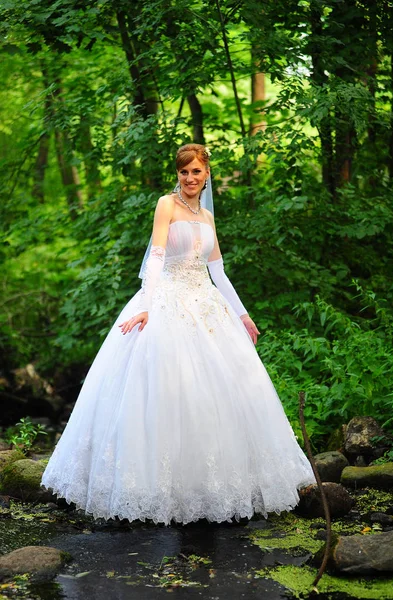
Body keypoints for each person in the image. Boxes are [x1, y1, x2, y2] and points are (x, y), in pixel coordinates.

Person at [41, 143, 316, 525]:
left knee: (217, 393)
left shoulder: (206, 216)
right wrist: (145, 305)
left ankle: (212, 490)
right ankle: (150, 491)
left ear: (207, 175)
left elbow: (217, 272)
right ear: (178, 174)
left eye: (197, 172)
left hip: (205, 306)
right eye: (184, 172)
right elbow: (155, 257)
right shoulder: (165, 204)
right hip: (166, 299)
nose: (190, 178)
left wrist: (243, 316)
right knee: (163, 391)